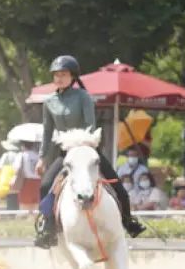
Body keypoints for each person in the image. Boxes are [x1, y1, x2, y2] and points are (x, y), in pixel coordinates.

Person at [34, 55, 146, 248]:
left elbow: (90, 126)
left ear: (73, 76)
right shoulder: (49, 102)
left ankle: (129, 221)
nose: (59, 78)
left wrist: (83, 147)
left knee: (117, 184)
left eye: (63, 74)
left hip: (86, 149)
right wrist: (42, 158)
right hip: (65, 153)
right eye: (56, 74)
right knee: (45, 186)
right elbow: (47, 132)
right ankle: (48, 229)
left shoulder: (83, 97)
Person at [17, 142, 42, 210]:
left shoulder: (22, 155)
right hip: (38, 181)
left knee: (25, 205)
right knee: (36, 204)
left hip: (26, 181)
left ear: (23, 146)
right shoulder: (38, 155)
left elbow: (16, 168)